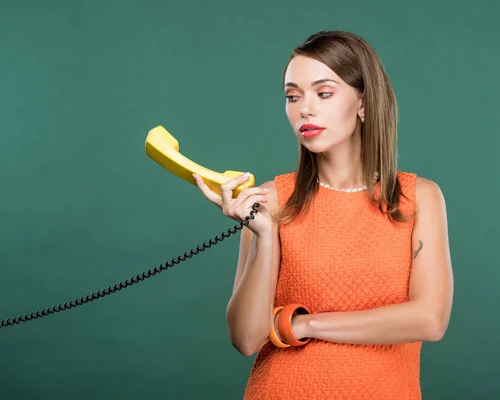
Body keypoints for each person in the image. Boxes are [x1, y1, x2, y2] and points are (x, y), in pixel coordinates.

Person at [193, 30, 453, 400]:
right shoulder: (270, 199)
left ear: (363, 102)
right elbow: (247, 338)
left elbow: (430, 319)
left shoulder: (417, 197)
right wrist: (265, 237)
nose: (305, 110)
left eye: (324, 93)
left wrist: (304, 324)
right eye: (292, 96)